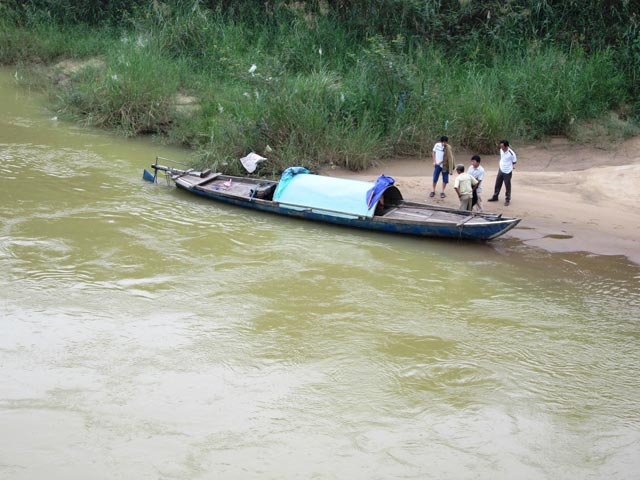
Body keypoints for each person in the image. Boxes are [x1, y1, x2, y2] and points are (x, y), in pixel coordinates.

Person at [488, 139, 517, 206]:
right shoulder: (501, 150)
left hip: (507, 171)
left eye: (502, 146)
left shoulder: (511, 153)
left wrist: (513, 166)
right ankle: (495, 197)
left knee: (507, 185)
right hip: (501, 169)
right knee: (498, 183)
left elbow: (514, 161)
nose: (501, 148)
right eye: (501, 146)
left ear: (506, 146)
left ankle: (507, 199)